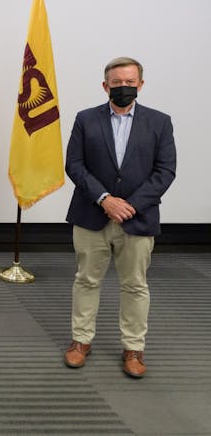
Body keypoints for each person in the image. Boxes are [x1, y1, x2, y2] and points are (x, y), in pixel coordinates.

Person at [63, 56, 176, 378]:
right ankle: (81, 341)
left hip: (137, 220)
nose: (123, 88)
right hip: (91, 216)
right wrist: (105, 199)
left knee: (135, 285)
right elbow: (75, 165)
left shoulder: (159, 122)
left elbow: (165, 171)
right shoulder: (86, 119)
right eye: (117, 84)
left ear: (140, 85)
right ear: (105, 86)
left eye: (130, 83)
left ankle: (133, 348)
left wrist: (129, 205)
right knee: (85, 280)